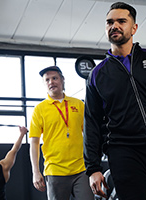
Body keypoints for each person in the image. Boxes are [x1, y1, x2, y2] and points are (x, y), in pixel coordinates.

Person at [84, 2, 146, 200]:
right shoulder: (97, 74)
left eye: (121, 21)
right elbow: (91, 123)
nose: (114, 25)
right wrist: (93, 168)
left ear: (134, 28)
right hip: (124, 152)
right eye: (109, 22)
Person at [29, 66, 94, 200]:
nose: (51, 82)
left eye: (54, 78)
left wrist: (94, 162)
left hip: (81, 168)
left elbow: (90, 135)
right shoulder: (39, 109)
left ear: (62, 80)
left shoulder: (78, 104)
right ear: (44, 84)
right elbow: (34, 142)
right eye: (47, 80)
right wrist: (35, 171)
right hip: (55, 170)